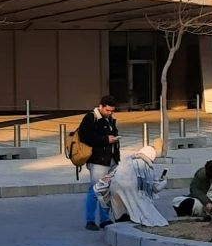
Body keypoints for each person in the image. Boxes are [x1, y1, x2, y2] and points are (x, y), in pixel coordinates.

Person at [71, 95, 120, 230]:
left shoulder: (109, 120)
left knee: (106, 190)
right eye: (108, 110)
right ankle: (90, 220)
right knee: (95, 190)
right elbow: (85, 137)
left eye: (112, 111)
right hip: (98, 160)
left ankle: (104, 219)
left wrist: (116, 158)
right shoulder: (90, 118)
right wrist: (105, 139)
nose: (110, 113)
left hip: (110, 159)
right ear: (101, 106)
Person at [110, 143, 168, 229]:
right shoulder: (149, 167)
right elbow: (156, 188)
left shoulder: (128, 159)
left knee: (119, 209)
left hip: (114, 185)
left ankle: (120, 221)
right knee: (142, 208)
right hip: (130, 187)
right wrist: (164, 181)